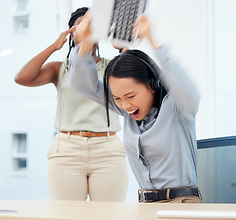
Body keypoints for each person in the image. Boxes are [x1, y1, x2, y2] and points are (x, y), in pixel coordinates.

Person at [69, 12, 202, 203]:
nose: (125, 105)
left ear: (152, 85)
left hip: (182, 205)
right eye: (117, 98)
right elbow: (81, 84)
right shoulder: (128, 112)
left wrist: (152, 41)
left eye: (130, 96)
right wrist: (86, 43)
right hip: (146, 207)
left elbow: (188, 89)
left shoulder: (178, 109)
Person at [14, 7, 128, 201]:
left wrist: (121, 46)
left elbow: (133, 78)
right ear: (71, 34)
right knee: (66, 218)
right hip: (67, 150)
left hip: (107, 149)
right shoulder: (60, 68)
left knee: (109, 219)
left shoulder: (112, 67)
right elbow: (22, 78)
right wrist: (53, 47)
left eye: (92, 26)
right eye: (81, 26)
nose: (86, 30)